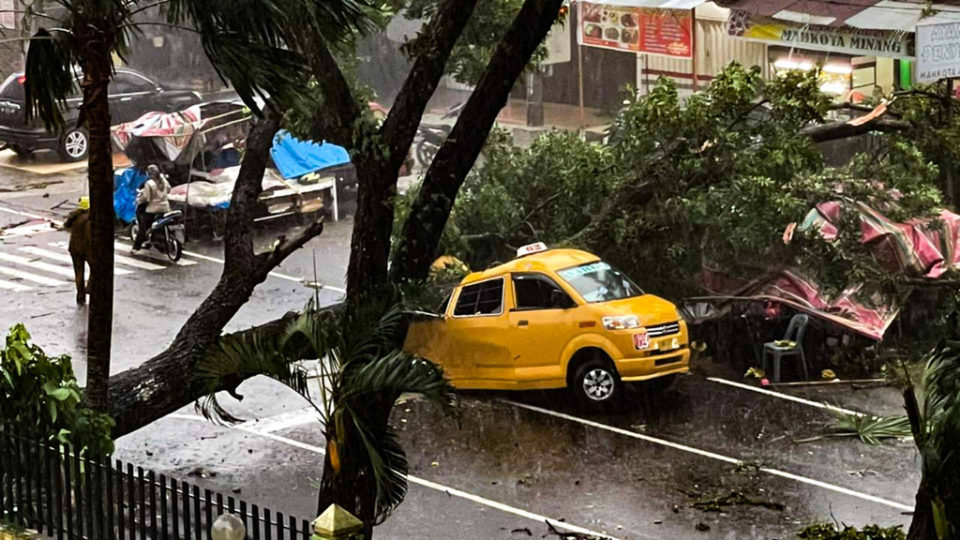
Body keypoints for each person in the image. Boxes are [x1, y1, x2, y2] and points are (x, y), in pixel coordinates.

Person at [132, 164, 171, 252]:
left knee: (143, 227)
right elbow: (168, 189)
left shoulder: (149, 183)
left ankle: (135, 247)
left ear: (149, 173)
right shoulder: (163, 180)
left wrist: (138, 200)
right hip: (165, 208)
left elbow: (146, 198)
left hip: (153, 209)